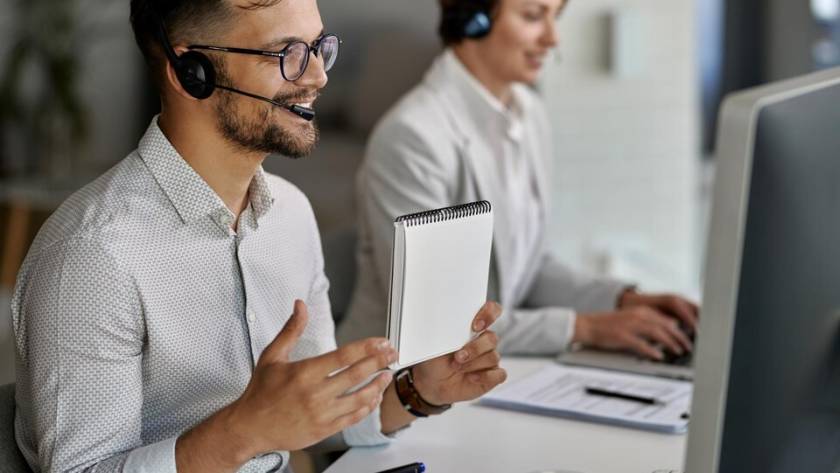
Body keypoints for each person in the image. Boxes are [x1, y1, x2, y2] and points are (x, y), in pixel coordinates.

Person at [10, 1, 507, 471]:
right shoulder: (92, 254)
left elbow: (314, 419)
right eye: (287, 54)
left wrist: (419, 391)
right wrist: (243, 431)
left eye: (318, 48)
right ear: (192, 72)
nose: (318, 76)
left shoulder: (289, 214)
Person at [338, 0, 698, 361]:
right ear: (472, 17)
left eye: (555, 17)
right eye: (532, 16)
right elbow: (439, 319)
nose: (553, 38)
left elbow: (528, 270)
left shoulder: (529, 114)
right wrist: (586, 328)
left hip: (484, 371)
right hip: (389, 385)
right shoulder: (412, 137)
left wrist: (622, 301)